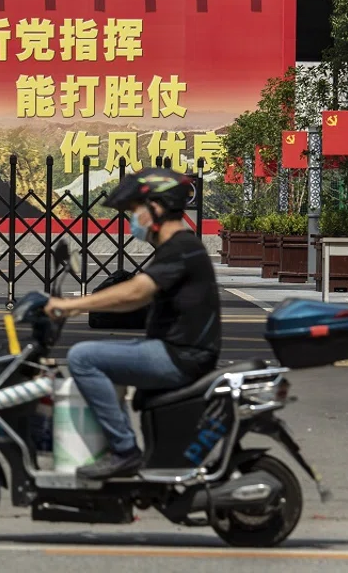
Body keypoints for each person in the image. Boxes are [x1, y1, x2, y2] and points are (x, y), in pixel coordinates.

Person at [43, 168, 222, 480]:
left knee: (83, 357)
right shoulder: (178, 248)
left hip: (181, 355)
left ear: (157, 208)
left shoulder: (181, 248)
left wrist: (71, 306)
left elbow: (138, 292)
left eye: (134, 211)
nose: (132, 219)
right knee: (104, 354)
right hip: (176, 349)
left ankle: (124, 451)